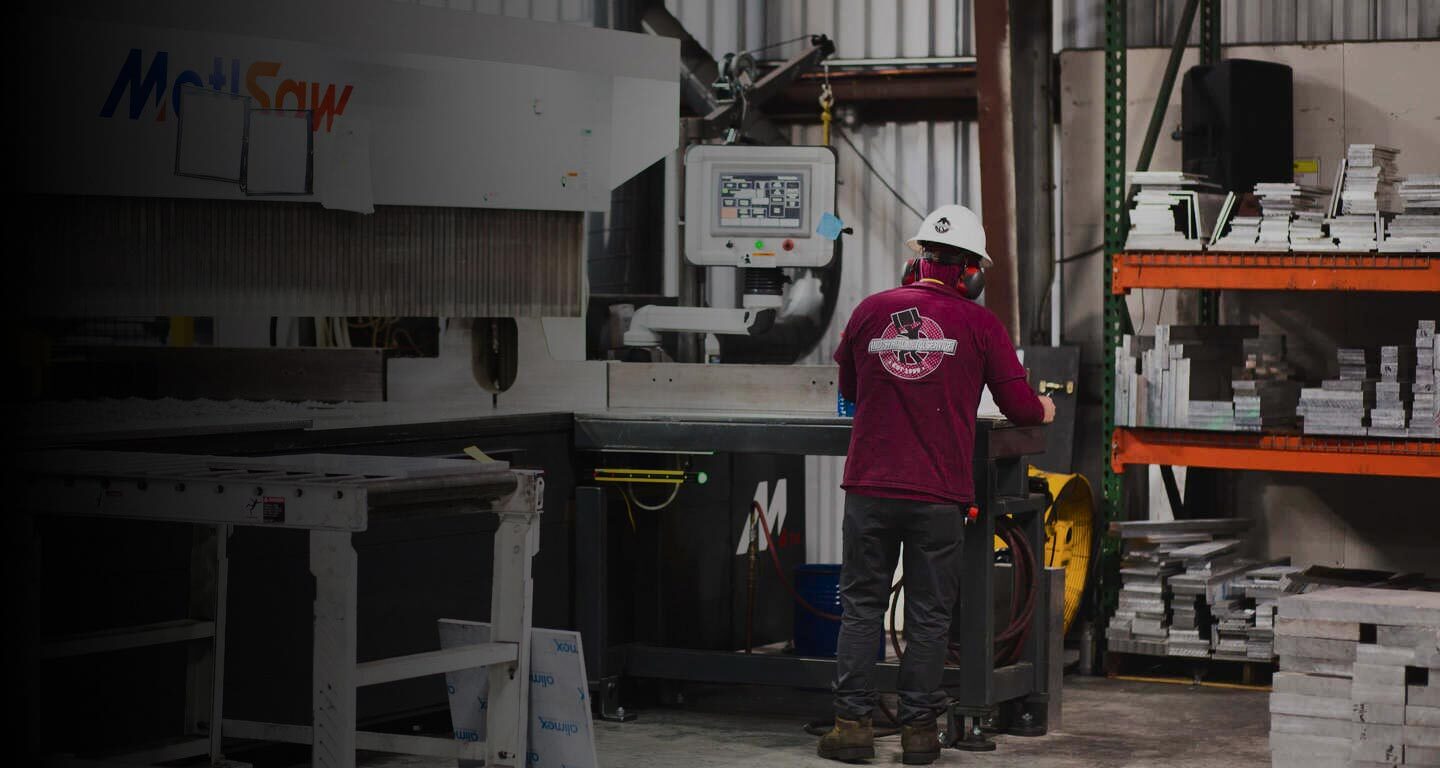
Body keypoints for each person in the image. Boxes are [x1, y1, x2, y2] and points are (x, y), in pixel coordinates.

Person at [817, 204, 1055, 765]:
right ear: (973, 272)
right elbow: (1019, 406)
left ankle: (852, 727)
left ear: (916, 260)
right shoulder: (981, 325)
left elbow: (849, 388)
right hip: (938, 495)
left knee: (861, 608)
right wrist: (1042, 408)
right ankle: (919, 734)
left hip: (871, 488)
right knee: (928, 614)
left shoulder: (871, 312)